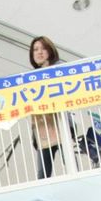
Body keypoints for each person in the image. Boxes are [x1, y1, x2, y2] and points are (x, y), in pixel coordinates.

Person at [28, 35, 67, 179]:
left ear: (50, 50)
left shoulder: (60, 68)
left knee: (70, 164)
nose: (39, 52)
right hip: (42, 127)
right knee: (43, 173)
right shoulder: (30, 77)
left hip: (60, 123)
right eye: (35, 50)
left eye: (43, 48)